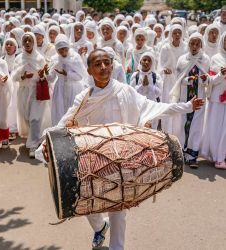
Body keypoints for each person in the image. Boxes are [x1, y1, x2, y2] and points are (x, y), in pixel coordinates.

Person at [36, 49, 204, 250]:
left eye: (107, 62)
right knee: (88, 201)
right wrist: (45, 145)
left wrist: (186, 106)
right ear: (89, 70)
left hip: (123, 159)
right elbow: (64, 123)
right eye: (98, 64)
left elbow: (154, 107)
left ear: (113, 65)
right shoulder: (84, 97)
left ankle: (118, 247)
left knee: (119, 208)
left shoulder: (125, 91)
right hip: (92, 160)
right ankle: (100, 227)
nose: (104, 68)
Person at [170, 33, 210, 168]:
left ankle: (192, 156)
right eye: (192, 43)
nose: (194, 46)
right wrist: (188, 80)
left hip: (199, 98)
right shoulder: (182, 59)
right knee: (183, 124)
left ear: (201, 45)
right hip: (185, 98)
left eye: (197, 44)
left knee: (196, 126)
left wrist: (205, 80)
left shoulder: (205, 59)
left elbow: (208, 79)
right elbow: (178, 79)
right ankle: (181, 153)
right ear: (188, 44)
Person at [12, 32, 51, 158]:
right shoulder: (19, 58)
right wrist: (23, 76)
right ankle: (35, 137)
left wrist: (41, 75)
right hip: (23, 92)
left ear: (34, 42)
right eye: (25, 41)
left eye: (30, 40)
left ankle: (33, 145)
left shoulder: (40, 58)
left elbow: (45, 77)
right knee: (27, 117)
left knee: (35, 118)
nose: (27, 43)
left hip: (36, 91)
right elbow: (14, 76)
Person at [201, 32, 226, 169]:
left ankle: (222, 156)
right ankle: (217, 157)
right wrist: (221, 74)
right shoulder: (216, 58)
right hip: (217, 99)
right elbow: (211, 81)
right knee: (216, 128)